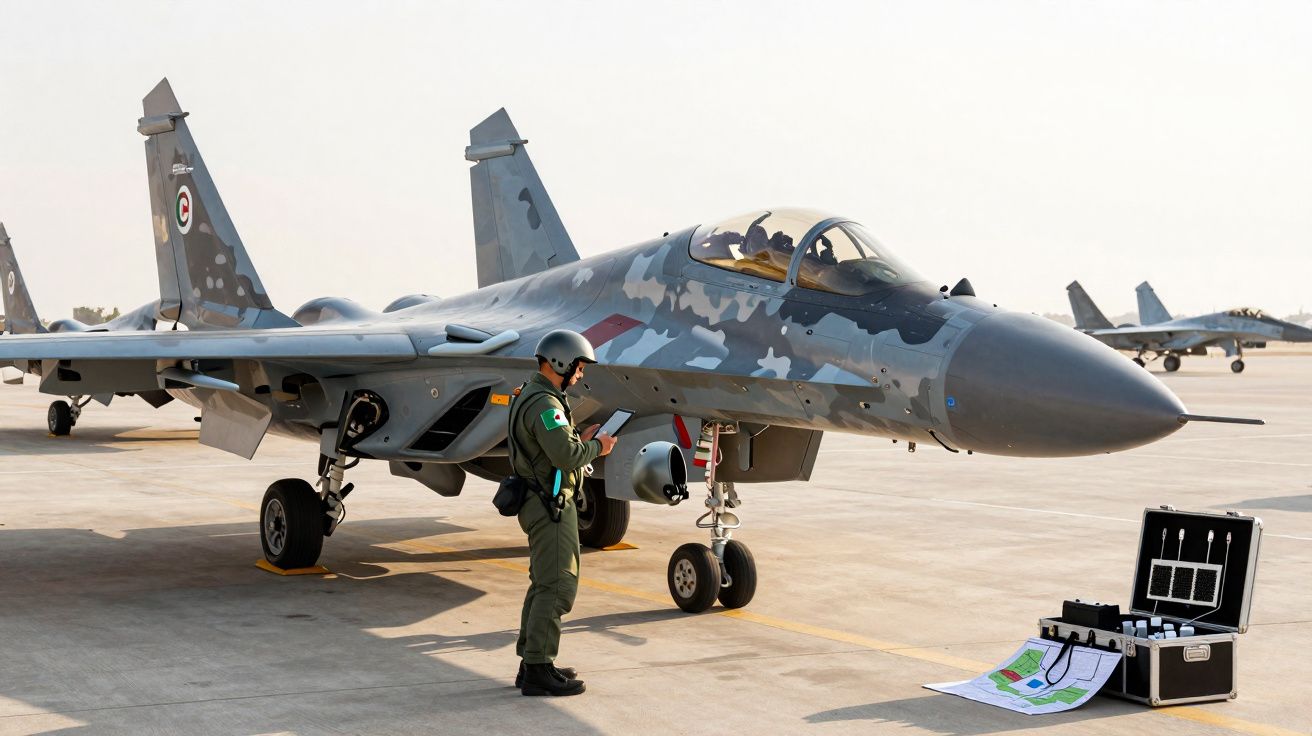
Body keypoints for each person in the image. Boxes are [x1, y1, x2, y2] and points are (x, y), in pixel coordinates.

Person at [509, 329, 617, 696]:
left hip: (539, 500)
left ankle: (532, 663)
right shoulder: (545, 405)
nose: (581, 374)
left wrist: (581, 439)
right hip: (549, 505)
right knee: (557, 587)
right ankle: (539, 669)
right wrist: (598, 448)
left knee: (543, 584)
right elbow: (565, 457)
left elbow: (556, 447)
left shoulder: (536, 396)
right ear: (560, 362)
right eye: (580, 367)